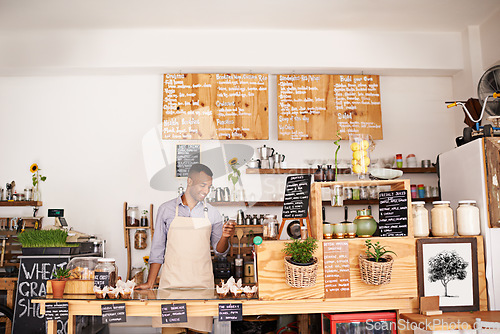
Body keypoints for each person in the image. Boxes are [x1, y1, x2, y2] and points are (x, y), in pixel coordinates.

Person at [136, 163, 235, 333]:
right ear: (189, 181)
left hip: (202, 288)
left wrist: (225, 237)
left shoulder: (212, 213)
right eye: (202, 185)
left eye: (209, 186)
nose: (206, 190)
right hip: (171, 288)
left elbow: (220, 251)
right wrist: (150, 282)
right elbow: (158, 248)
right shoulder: (166, 210)